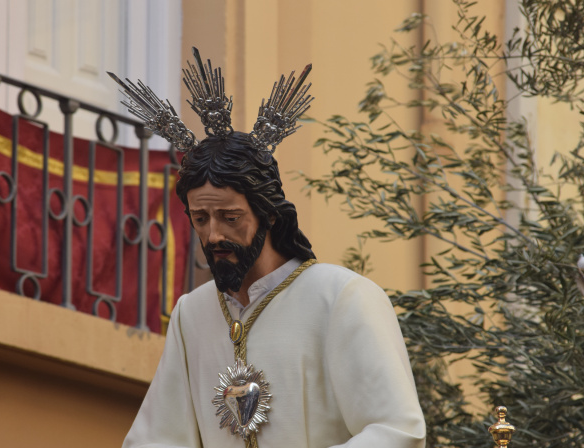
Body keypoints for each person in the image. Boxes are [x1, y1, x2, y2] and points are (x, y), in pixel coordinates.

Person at [109, 48, 426, 448]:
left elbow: (396, 430)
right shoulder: (193, 314)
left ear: (269, 215)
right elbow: (155, 440)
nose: (213, 236)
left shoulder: (340, 298)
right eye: (201, 219)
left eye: (230, 217)